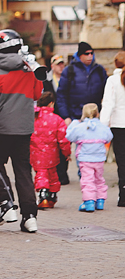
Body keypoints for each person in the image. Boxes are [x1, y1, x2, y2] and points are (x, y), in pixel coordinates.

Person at [0, 29, 43, 233]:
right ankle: (29, 216)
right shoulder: (29, 69)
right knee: (23, 170)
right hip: (24, 129)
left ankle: (7, 204)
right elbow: (37, 93)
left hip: (2, 128)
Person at [66, 103, 113, 212]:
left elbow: (69, 136)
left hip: (85, 159)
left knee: (87, 180)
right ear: (97, 113)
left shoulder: (80, 127)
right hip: (99, 159)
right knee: (99, 179)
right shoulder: (102, 127)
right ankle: (100, 200)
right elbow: (109, 137)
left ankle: (89, 202)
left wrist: (73, 124)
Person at [30, 91, 71, 209]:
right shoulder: (57, 120)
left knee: (41, 173)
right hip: (52, 154)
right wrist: (66, 153)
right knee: (53, 175)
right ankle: (52, 195)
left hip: (35, 153)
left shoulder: (33, 117)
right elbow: (63, 139)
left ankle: (42, 194)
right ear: (51, 104)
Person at [56, 42, 108, 123]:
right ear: (80, 55)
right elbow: (61, 95)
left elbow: (107, 94)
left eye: (91, 53)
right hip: (75, 117)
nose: (90, 56)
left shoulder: (99, 70)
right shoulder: (69, 70)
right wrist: (66, 116)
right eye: (86, 54)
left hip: (96, 116)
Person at [100, 51, 125, 207]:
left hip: (118, 124)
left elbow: (108, 104)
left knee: (122, 162)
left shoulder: (112, 81)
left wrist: (102, 126)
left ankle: (123, 195)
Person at [44, 55, 69, 185]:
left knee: (64, 144)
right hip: (50, 117)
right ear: (52, 66)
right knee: (52, 145)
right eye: (58, 64)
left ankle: (63, 174)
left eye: (62, 64)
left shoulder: (67, 79)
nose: (61, 67)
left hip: (64, 117)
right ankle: (53, 174)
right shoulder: (46, 80)